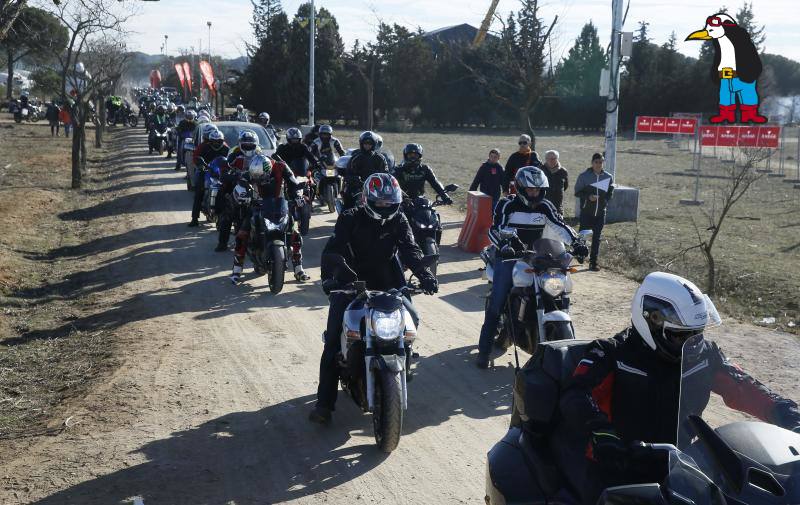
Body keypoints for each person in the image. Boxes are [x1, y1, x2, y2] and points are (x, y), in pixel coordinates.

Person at [560, 271, 800, 505]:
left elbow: (745, 387)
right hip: (620, 464)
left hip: (684, 465)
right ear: (651, 320)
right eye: (681, 336)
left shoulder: (702, 354)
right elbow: (576, 394)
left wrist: (787, 413)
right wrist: (604, 435)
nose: (692, 343)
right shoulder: (611, 353)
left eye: (697, 334)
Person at [308, 173, 439, 424]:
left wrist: (424, 274)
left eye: (390, 202)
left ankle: (403, 357)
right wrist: (335, 278)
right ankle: (324, 403)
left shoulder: (399, 218)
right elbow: (334, 250)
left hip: (387, 277)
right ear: (368, 200)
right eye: (380, 203)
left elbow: (409, 249)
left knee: (412, 317)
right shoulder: (350, 218)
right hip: (351, 279)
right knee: (334, 340)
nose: (385, 207)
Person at [476, 166, 588, 369]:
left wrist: (577, 242)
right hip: (509, 257)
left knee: (556, 291)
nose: (534, 193)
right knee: (498, 301)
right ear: (520, 188)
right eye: (530, 190)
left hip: (537, 256)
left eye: (537, 190)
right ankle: (484, 350)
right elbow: (495, 228)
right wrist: (504, 245)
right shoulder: (507, 204)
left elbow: (560, 226)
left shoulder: (545, 206)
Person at [230, 154, 310, 283]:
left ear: (268, 169)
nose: (259, 180)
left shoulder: (281, 166)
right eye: (256, 178)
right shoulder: (251, 171)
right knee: (241, 235)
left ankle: (299, 269)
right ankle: (237, 270)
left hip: (280, 205)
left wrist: (297, 196)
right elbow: (240, 185)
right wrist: (241, 195)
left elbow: (293, 182)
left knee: (295, 234)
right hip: (258, 205)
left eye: (261, 177)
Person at [574, 153, 614, 272]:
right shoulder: (584, 176)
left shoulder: (608, 177)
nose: (598, 164)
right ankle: (580, 254)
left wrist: (605, 201)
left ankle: (593, 263)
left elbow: (610, 192)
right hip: (587, 212)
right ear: (592, 163)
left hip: (601, 212)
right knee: (583, 235)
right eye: (596, 162)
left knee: (597, 237)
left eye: (600, 162)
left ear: (603, 163)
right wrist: (588, 197)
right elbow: (577, 192)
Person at [189, 129, 230, 227]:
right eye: (214, 141)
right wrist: (200, 165)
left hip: (221, 172)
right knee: (199, 192)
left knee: (229, 191)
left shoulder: (226, 148)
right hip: (206, 170)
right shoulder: (204, 147)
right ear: (209, 141)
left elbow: (231, 159)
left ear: (222, 140)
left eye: (219, 141)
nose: (216, 143)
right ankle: (194, 218)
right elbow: (196, 157)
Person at [342, 131, 389, 209]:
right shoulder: (355, 157)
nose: (367, 145)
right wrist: (354, 178)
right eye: (365, 143)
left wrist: (383, 179)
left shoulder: (380, 158)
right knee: (348, 202)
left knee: (390, 202)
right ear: (361, 144)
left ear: (374, 144)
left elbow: (386, 173)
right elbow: (348, 173)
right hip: (358, 186)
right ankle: (345, 217)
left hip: (376, 187)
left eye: (370, 143)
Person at [542, 150, 569, 216]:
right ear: (546, 159)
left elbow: (565, 186)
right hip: (543, 207)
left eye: (554, 158)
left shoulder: (563, 171)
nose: (552, 160)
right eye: (550, 159)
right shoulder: (540, 171)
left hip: (558, 209)